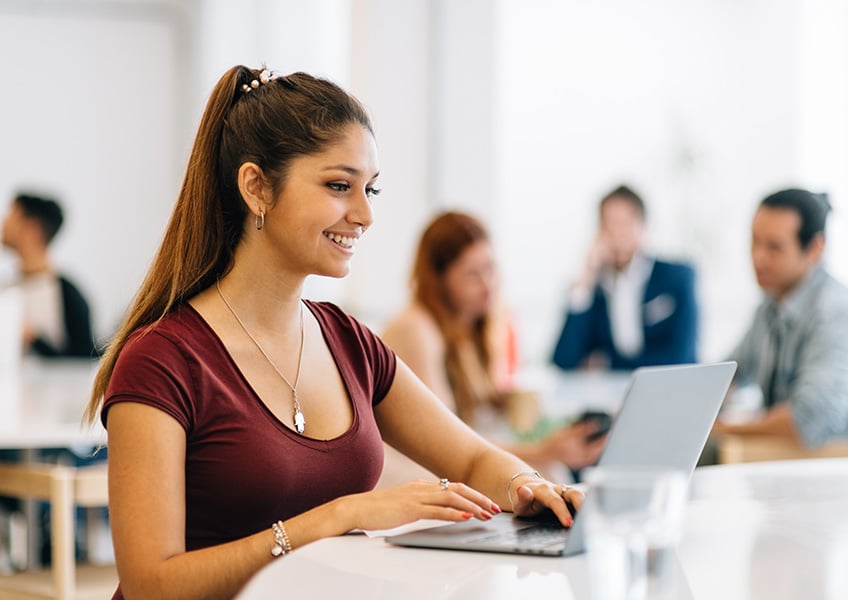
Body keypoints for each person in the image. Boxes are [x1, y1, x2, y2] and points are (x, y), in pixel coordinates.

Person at [83, 66, 581, 600]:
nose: (365, 214)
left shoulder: (350, 343)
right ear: (256, 187)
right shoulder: (162, 359)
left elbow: (473, 458)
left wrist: (526, 486)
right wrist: (338, 516)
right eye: (339, 186)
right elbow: (151, 585)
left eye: (370, 189)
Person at [380, 211, 607, 479]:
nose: (488, 284)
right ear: (439, 281)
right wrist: (541, 450)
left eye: (490, 268)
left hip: (444, 465)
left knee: (549, 471)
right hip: (411, 472)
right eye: (472, 274)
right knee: (546, 471)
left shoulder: (473, 327)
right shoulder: (416, 329)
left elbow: (477, 416)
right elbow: (447, 443)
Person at [714, 188, 848, 447]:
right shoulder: (770, 306)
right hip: (795, 461)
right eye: (754, 241)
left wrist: (721, 429)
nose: (758, 257)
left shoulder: (838, 315)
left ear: (815, 248)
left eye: (774, 247)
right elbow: (727, 374)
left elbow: (808, 422)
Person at [552, 184, 699, 371]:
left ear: (643, 227)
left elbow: (681, 357)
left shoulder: (677, 278)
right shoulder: (594, 290)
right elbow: (564, 360)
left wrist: (609, 364)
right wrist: (586, 277)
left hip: (670, 391)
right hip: (611, 397)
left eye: (625, 224)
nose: (618, 234)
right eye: (609, 225)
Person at [1, 192, 95, 358]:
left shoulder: (68, 295)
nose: (4, 222)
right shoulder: (5, 290)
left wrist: (34, 340)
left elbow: (84, 359)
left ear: (31, 229)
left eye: (12, 215)